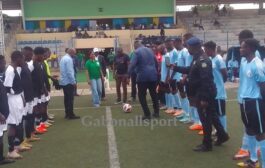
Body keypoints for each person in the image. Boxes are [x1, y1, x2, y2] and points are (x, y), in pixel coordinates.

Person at [172, 37, 229, 152]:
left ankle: (207, 144)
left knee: (206, 119)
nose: (187, 48)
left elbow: (206, 81)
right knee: (212, 116)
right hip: (201, 92)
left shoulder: (203, 60)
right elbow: (190, 70)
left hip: (204, 94)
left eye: (188, 46)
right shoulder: (197, 58)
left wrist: (204, 98)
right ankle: (222, 135)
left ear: (195, 47)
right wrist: (175, 67)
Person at [237, 38, 265, 167]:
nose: (240, 49)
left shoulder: (257, 65)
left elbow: (263, 85)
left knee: (260, 134)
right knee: (250, 131)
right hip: (245, 102)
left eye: (243, 47)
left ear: (250, 49)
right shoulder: (244, 62)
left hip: (255, 103)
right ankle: (254, 160)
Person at [128, 41, 159, 120]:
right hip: (153, 75)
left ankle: (147, 114)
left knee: (142, 95)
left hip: (142, 76)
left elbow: (132, 64)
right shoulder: (150, 50)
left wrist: (128, 74)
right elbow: (156, 62)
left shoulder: (137, 52)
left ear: (136, 46)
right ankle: (156, 112)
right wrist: (155, 72)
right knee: (154, 94)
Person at [4, 51, 24, 159]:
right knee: (12, 124)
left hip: (17, 99)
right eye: (22, 58)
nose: (23, 61)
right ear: (17, 59)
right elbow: (7, 87)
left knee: (18, 123)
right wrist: (16, 94)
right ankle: (11, 150)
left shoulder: (16, 69)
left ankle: (17, 145)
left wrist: (21, 98)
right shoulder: (10, 70)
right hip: (12, 100)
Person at [204, 41, 228, 131]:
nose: (205, 51)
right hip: (212, 91)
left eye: (206, 49)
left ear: (211, 49)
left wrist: (220, 84)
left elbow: (225, 75)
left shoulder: (219, 59)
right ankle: (218, 130)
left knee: (221, 113)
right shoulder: (210, 59)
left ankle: (223, 131)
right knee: (215, 113)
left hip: (219, 92)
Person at [0, 55, 15, 165]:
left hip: (3, 114)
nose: (4, 65)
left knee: (1, 135)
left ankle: (1, 157)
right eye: (2, 63)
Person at [59, 48, 80, 119]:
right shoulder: (69, 59)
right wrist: (73, 82)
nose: (75, 55)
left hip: (64, 81)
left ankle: (67, 114)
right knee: (70, 99)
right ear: (71, 53)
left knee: (66, 99)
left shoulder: (63, 58)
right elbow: (70, 72)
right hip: (68, 82)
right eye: (74, 53)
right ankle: (71, 114)